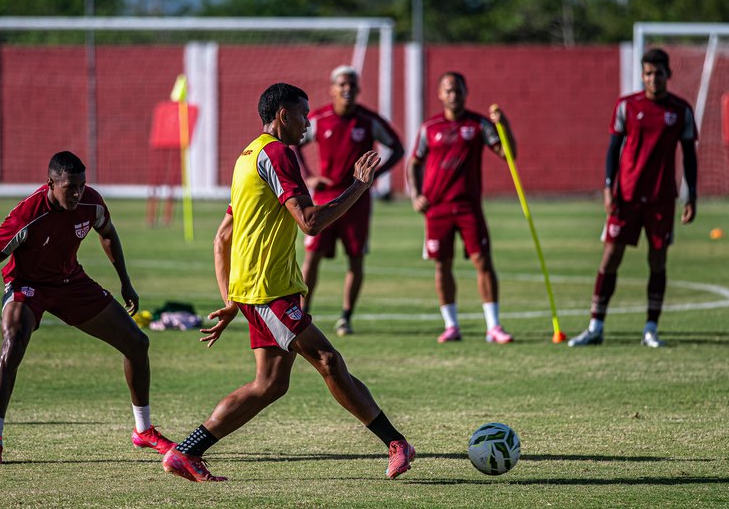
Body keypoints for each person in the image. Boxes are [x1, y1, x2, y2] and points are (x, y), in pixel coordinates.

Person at [162, 83, 414, 482]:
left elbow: (223, 236)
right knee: (328, 360)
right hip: (269, 290)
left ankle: (185, 453)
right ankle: (396, 442)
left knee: (270, 384)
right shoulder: (278, 153)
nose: (308, 122)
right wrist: (359, 187)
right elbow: (310, 221)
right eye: (303, 114)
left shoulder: (248, 155)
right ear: (283, 115)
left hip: (259, 289)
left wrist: (232, 298)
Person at [0, 151, 175, 465]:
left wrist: (125, 281)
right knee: (13, 340)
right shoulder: (28, 214)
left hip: (70, 283)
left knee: (137, 343)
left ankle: (143, 431)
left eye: (82, 185)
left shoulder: (91, 203)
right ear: (51, 184)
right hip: (27, 286)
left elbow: (108, 233)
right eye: (70, 188)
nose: (78, 193)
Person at [568, 48, 698, 348]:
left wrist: (691, 195)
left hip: (661, 199)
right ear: (643, 75)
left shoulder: (681, 110)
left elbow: (689, 156)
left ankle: (650, 328)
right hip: (625, 197)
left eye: (659, 73)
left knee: (657, 261)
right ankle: (595, 326)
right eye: (649, 73)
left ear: (669, 75)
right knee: (610, 258)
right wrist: (607, 187)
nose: (654, 79)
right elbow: (613, 149)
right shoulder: (627, 106)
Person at [407, 71, 517, 345]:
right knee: (442, 265)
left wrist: (505, 126)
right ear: (440, 94)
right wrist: (415, 194)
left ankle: (493, 326)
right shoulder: (429, 128)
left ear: (466, 92)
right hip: (437, 209)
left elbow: (508, 154)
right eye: (448, 90)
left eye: (458, 90)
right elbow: (414, 162)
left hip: (469, 207)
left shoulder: (479, 124)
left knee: (483, 262)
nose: (453, 95)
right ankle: (451, 325)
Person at [294, 65, 404, 336]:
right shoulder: (320, 119)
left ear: (358, 89)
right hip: (324, 199)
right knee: (313, 256)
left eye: (352, 85)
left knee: (355, 258)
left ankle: (345, 317)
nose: (347, 89)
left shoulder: (368, 120)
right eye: (342, 84)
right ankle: (301, 314)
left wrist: (373, 175)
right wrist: (308, 177)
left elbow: (397, 147)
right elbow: (293, 142)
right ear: (332, 89)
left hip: (356, 199)